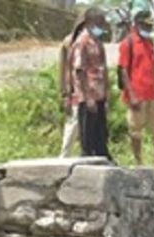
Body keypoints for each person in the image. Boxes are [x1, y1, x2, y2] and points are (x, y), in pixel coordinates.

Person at [118, 10, 154, 165]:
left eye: (151, 26)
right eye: (146, 26)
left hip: (153, 94)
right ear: (137, 24)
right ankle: (138, 161)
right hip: (137, 94)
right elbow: (123, 70)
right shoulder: (128, 43)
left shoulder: (149, 42)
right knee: (136, 129)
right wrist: (131, 95)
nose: (149, 29)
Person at [70, 6, 112, 160]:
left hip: (99, 93)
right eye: (98, 24)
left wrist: (107, 93)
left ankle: (102, 155)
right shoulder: (82, 42)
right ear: (88, 23)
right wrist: (87, 97)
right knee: (87, 134)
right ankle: (87, 158)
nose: (101, 27)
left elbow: (103, 68)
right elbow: (79, 71)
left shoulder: (97, 42)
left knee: (101, 131)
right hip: (88, 94)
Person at [58, 13, 87, 157]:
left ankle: (85, 155)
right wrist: (65, 93)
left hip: (89, 92)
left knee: (85, 126)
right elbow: (63, 69)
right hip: (75, 91)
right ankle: (64, 157)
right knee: (73, 124)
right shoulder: (69, 42)